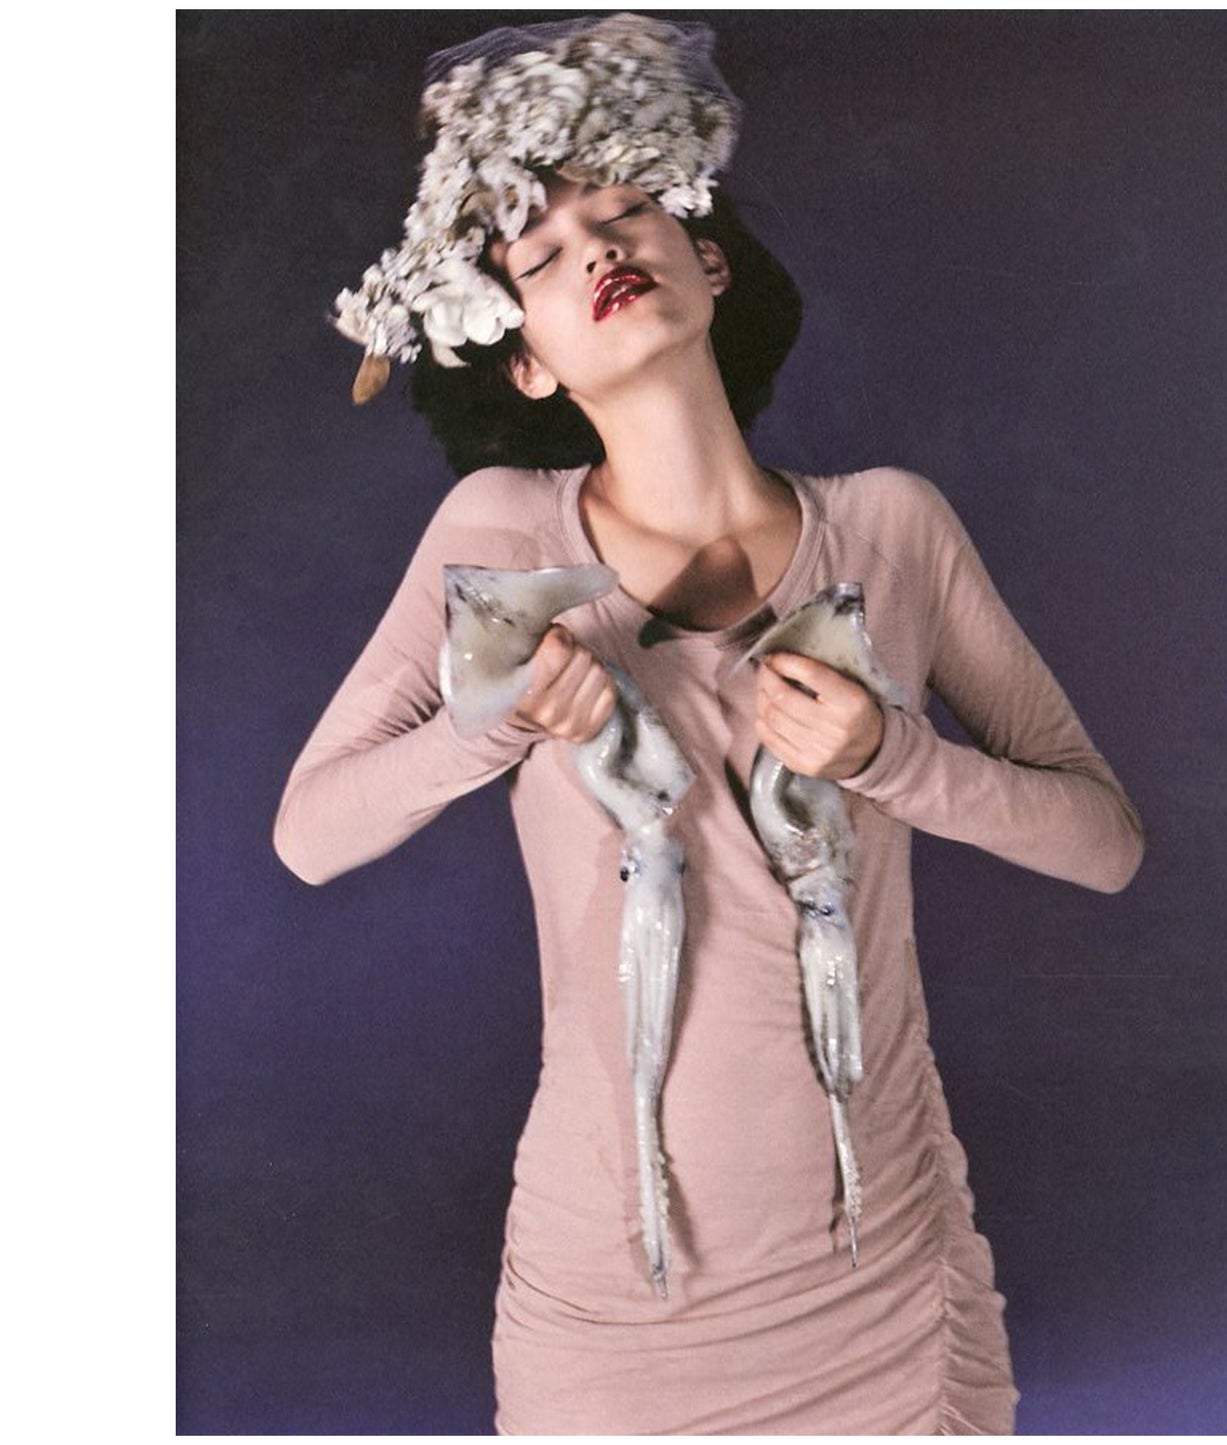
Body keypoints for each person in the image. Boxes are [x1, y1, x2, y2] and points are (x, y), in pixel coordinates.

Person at [274, 15, 1144, 1435]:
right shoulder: (500, 534)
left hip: (887, 1285)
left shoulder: (891, 526)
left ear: (707, 258)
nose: (596, 249)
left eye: (625, 210)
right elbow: (309, 836)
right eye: (540, 256)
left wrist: (893, 758)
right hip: (606, 1305)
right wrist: (489, 730)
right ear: (525, 360)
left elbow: (1105, 844)